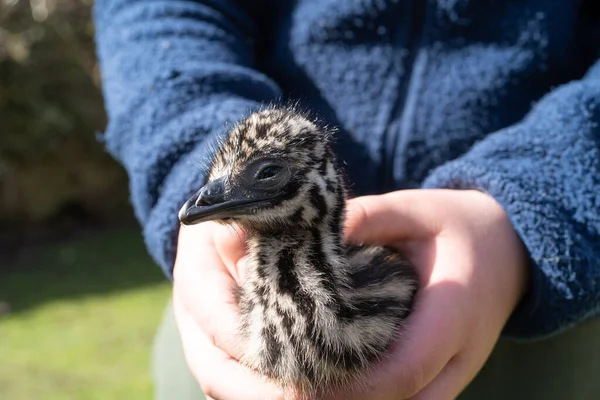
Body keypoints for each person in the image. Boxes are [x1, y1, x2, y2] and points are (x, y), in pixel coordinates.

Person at [93, 1, 600, 399]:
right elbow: (158, 13)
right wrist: (188, 144)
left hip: (541, 302)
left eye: (267, 177)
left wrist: (533, 206)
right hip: (219, 303)